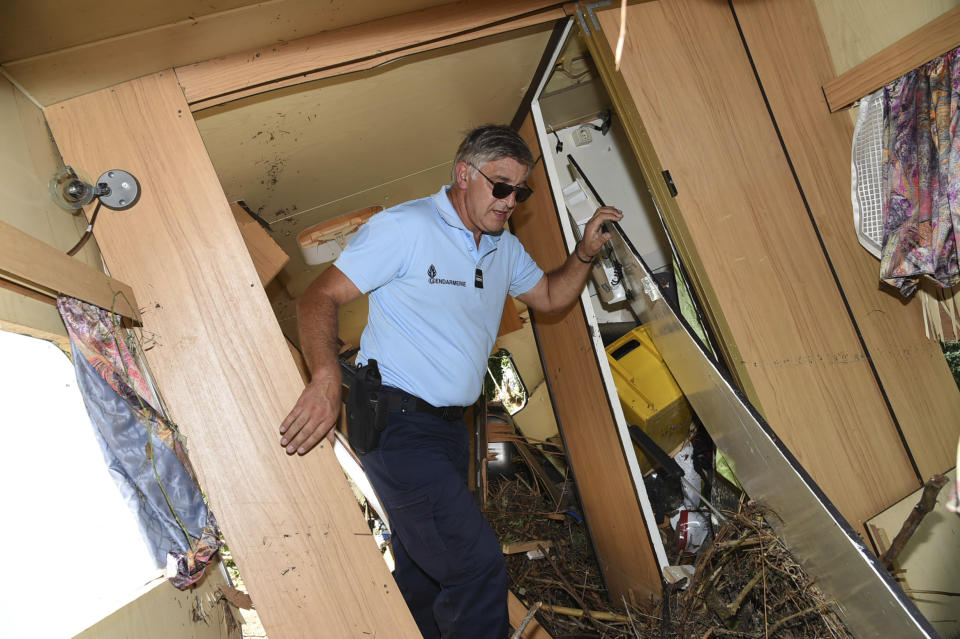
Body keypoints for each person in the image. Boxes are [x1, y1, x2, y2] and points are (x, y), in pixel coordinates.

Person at [279, 124, 622, 639]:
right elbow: (317, 298)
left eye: (520, 191)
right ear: (464, 174)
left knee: (424, 576)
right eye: (501, 186)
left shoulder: (504, 249)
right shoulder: (407, 228)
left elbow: (550, 295)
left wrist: (586, 252)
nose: (510, 201)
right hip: (398, 429)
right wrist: (326, 377)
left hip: (448, 434)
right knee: (476, 566)